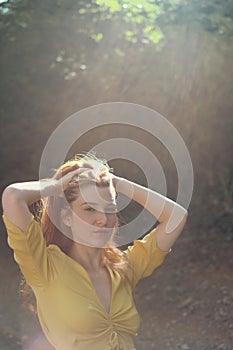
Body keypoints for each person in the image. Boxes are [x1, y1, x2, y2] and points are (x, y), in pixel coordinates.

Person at [2, 153, 188, 350]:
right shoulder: (45, 267)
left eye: (109, 209)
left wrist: (117, 183)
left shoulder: (124, 267)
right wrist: (57, 187)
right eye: (89, 209)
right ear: (66, 217)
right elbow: (13, 196)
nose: (103, 219)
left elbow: (176, 216)